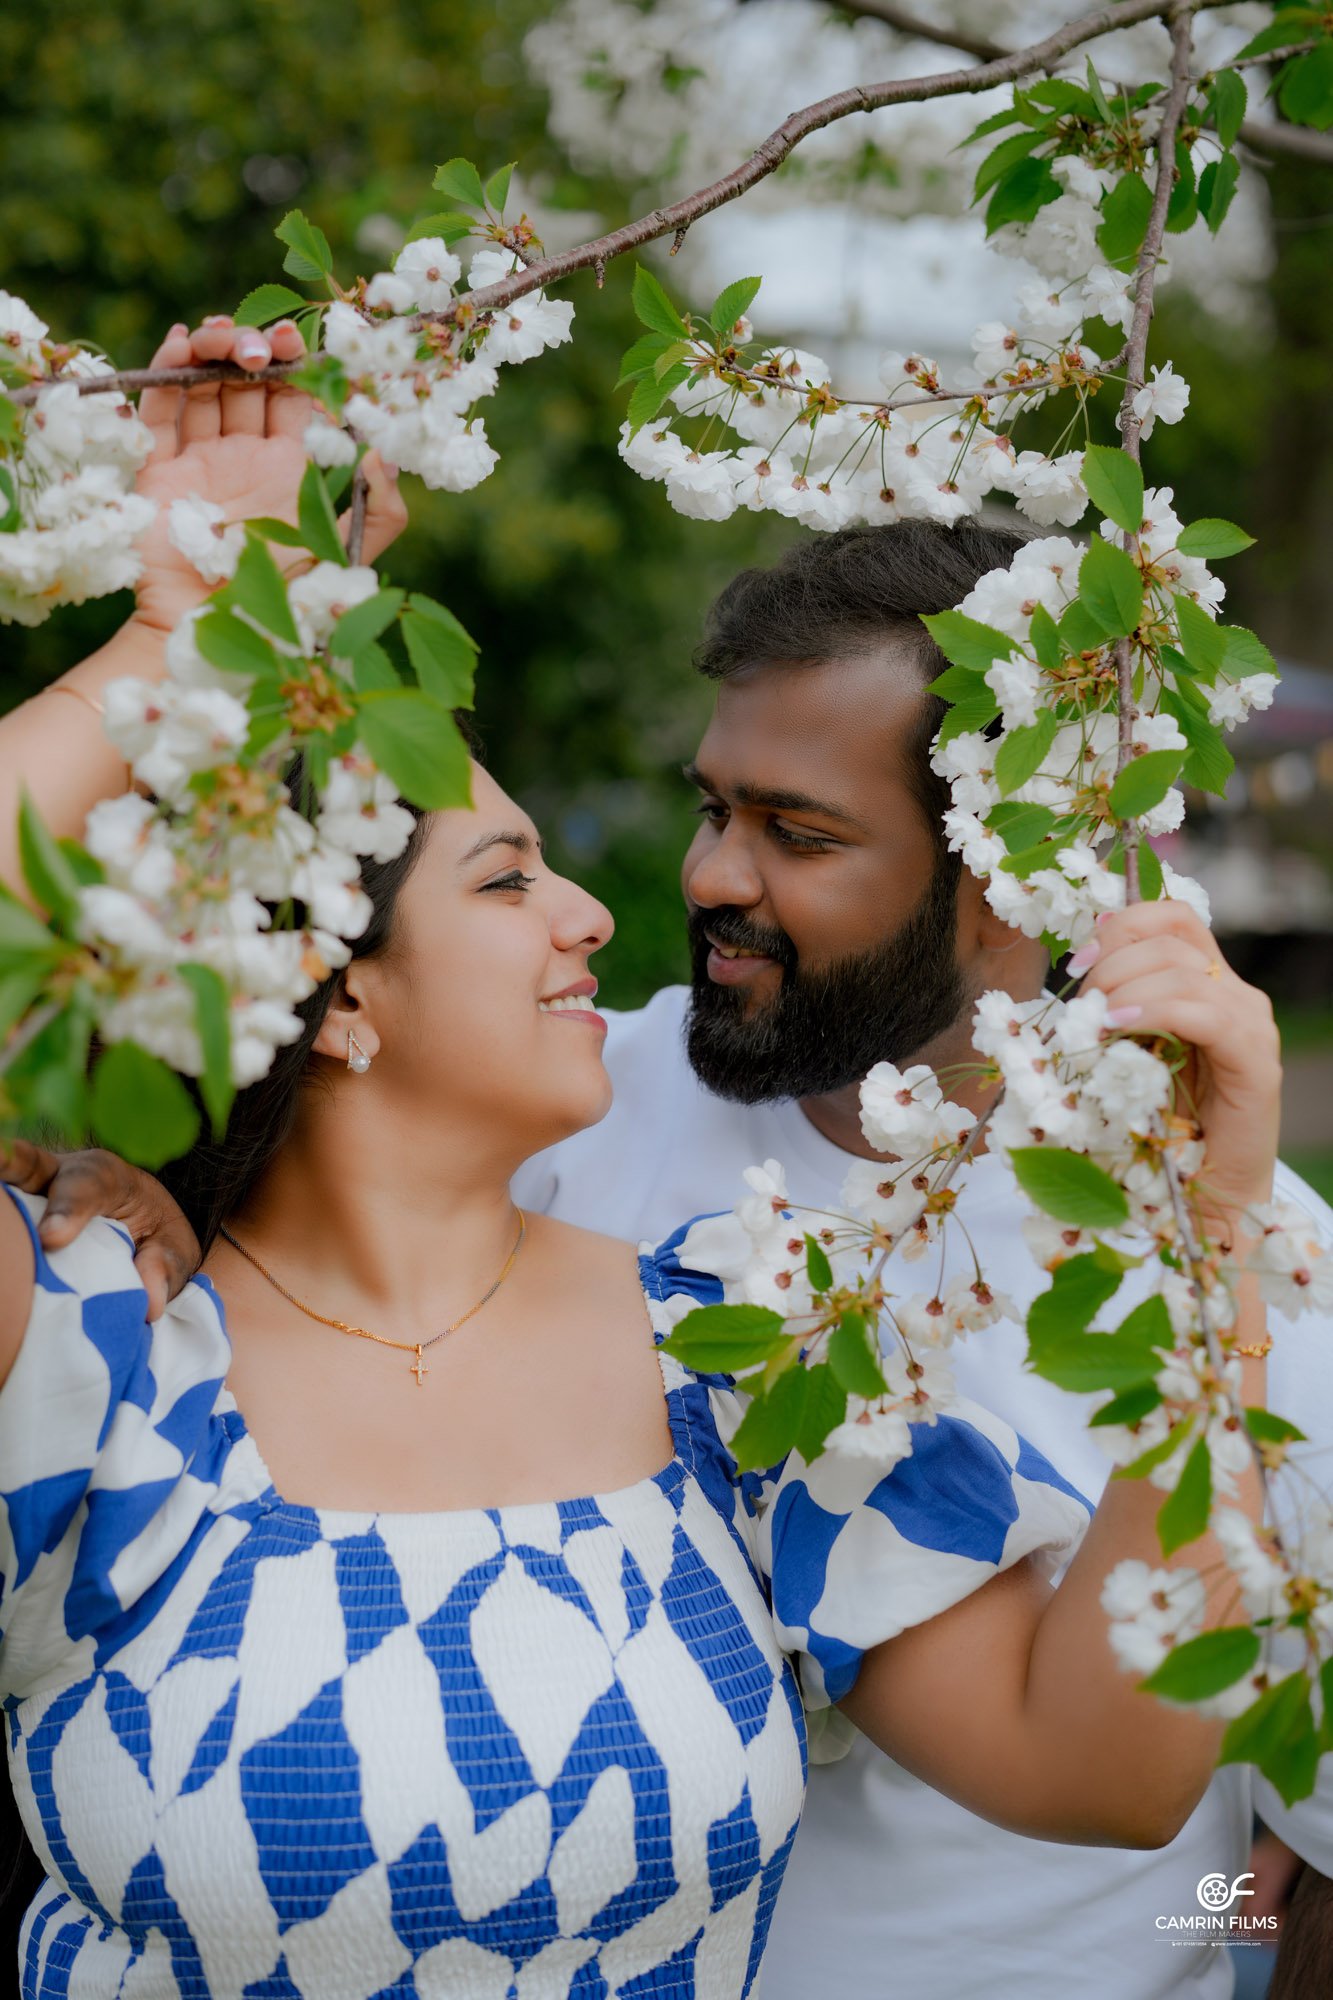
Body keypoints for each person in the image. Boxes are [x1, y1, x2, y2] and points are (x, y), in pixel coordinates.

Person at [0, 319, 1290, 2000]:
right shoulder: (97, 1341)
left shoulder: (740, 1344)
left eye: (793, 831)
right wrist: (173, 634)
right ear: (332, 995)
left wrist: (1213, 1236)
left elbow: (1106, 1777)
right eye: (505, 879)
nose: (618, 911)